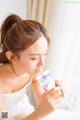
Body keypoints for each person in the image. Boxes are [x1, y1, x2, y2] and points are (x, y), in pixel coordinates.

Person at [0, 13, 64, 120]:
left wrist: (54, 93)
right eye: (34, 58)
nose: (42, 63)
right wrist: (39, 113)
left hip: (21, 110)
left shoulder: (33, 72)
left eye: (44, 55)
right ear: (13, 57)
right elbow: (3, 117)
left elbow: (42, 101)